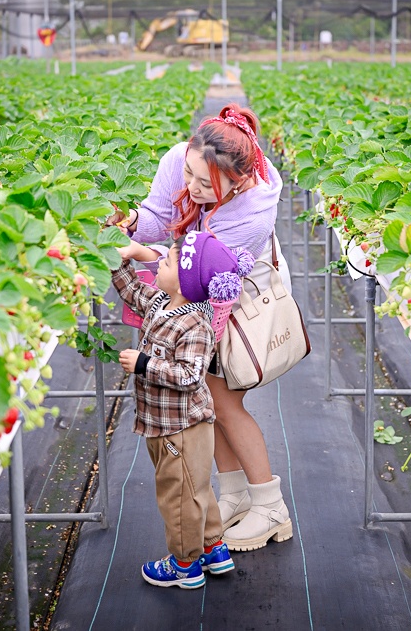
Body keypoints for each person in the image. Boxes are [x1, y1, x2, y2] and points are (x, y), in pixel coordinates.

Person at [109, 103, 294, 552]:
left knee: (227, 401)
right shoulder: (182, 157)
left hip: (229, 291)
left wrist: (146, 258)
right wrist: (134, 222)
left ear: (239, 181)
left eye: (202, 183)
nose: (189, 186)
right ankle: (232, 495)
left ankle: (271, 508)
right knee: (210, 398)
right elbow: (159, 217)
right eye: (187, 173)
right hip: (192, 279)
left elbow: (194, 279)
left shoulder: (253, 214)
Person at [111, 231, 252, 589]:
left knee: (178, 497)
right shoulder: (163, 303)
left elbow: (190, 375)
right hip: (163, 422)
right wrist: (117, 261)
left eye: (169, 262)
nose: (159, 262)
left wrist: (144, 364)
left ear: (187, 281)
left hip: (182, 428)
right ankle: (213, 547)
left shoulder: (195, 325)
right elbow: (133, 292)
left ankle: (185, 564)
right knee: (195, 488)